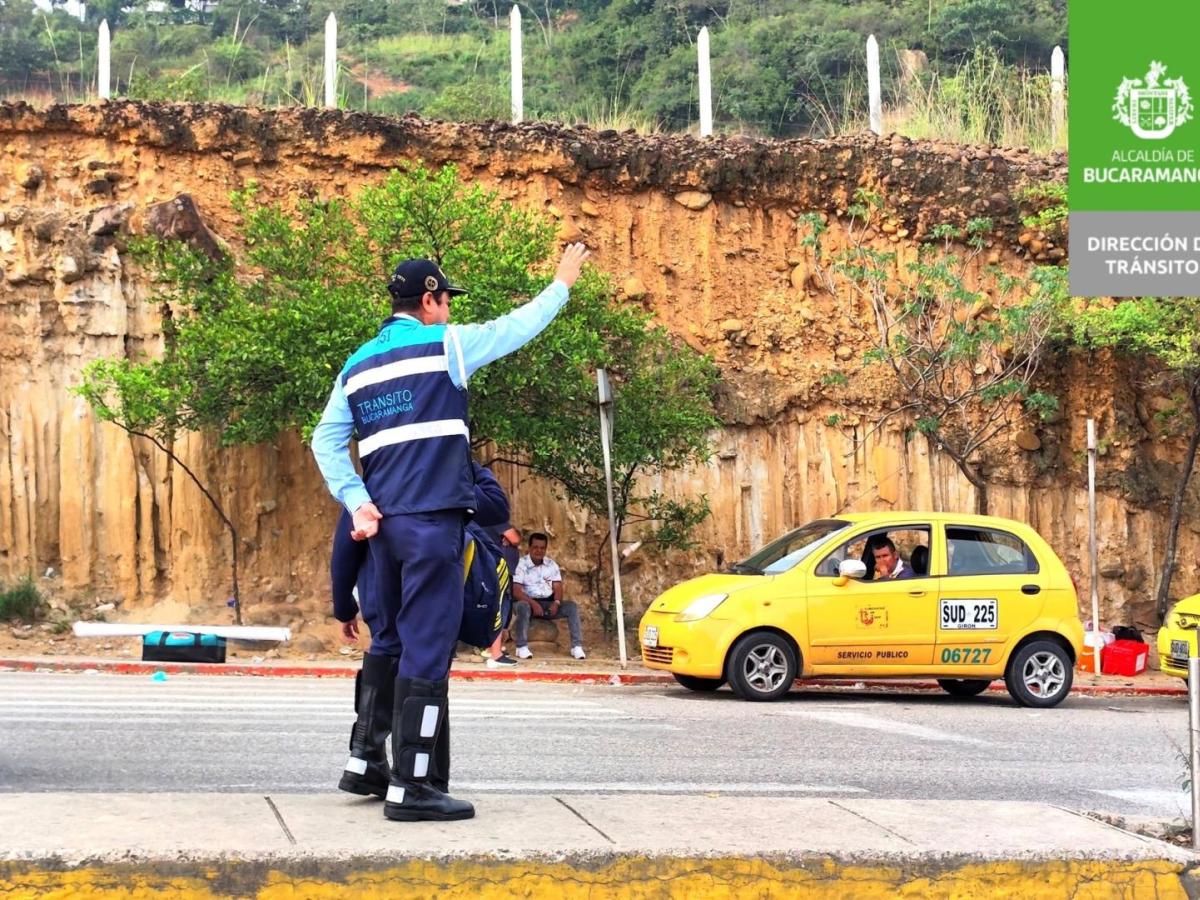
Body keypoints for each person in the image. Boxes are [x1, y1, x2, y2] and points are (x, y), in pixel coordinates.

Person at [312, 243, 590, 822]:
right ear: (431, 299)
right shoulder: (448, 346)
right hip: (432, 526)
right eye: (446, 302)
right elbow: (520, 325)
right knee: (428, 650)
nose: (449, 312)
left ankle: (369, 764)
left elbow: (325, 442)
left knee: (388, 644)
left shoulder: (357, 364)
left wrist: (358, 502)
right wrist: (562, 281)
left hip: (382, 532)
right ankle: (414, 787)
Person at [330, 463, 510, 800]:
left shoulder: (373, 476)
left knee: (386, 652)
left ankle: (364, 758)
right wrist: (451, 482)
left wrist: (343, 607)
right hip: (427, 588)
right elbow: (497, 507)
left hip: (377, 597)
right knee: (427, 668)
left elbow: (344, 546)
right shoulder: (456, 467)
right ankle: (421, 779)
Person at [512, 532, 586, 660]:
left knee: (571, 607)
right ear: (529, 548)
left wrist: (556, 602)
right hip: (526, 602)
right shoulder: (521, 564)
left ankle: (576, 647)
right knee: (523, 606)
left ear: (545, 549)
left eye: (542, 548)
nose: (538, 551)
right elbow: (516, 591)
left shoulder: (551, 565)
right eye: (535, 547)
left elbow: (558, 587)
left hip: (547, 604)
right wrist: (533, 604)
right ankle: (521, 647)